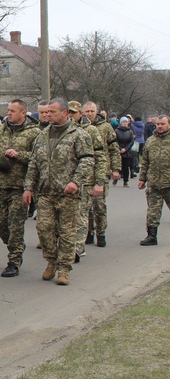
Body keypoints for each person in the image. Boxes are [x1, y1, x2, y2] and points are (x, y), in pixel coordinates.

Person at [23, 98, 94, 286]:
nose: (47, 115)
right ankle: (51, 261)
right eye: (46, 112)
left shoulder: (78, 134)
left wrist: (75, 182)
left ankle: (64, 269)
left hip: (68, 194)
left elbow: (87, 160)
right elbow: (33, 164)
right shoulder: (42, 135)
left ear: (64, 113)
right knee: (44, 229)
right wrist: (28, 187)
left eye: (52, 112)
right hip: (45, 192)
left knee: (67, 232)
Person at [0, 99, 39, 277]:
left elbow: (38, 157)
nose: (10, 113)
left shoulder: (33, 133)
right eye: (8, 110)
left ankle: (14, 260)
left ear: (23, 113)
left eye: (13, 110)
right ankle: (17, 246)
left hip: (20, 186)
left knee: (15, 225)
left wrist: (19, 155)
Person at [67, 101, 106, 262]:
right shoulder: (64, 130)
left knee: (81, 214)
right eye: (68, 113)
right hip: (68, 180)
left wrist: (100, 181)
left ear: (79, 114)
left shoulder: (91, 131)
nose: (70, 116)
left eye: (73, 113)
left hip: (87, 181)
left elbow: (100, 157)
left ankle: (77, 248)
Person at [84, 101, 121, 247]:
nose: (89, 114)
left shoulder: (105, 127)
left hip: (101, 171)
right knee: (86, 207)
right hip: (86, 173)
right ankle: (88, 232)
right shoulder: (81, 128)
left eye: (92, 111)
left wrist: (116, 168)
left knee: (99, 206)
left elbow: (114, 149)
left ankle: (101, 233)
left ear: (97, 111)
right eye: (86, 111)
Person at [138, 114, 170, 245]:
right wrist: (142, 179)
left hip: (169, 183)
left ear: (168, 124)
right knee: (152, 211)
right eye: (158, 124)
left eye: (163, 124)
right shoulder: (150, 140)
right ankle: (151, 236)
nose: (160, 126)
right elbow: (145, 161)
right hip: (154, 183)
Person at [114, 117, 135, 187]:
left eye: (126, 122)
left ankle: (125, 181)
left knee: (126, 167)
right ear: (121, 123)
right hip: (118, 151)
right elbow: (115, 141)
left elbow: (132, 142)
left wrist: (125, 149)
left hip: (127, 152)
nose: (125, 123)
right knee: (118, 166)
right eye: (123, 122)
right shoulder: (116, 131)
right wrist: (120, 148)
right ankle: (116, 178)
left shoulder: (130, 132)